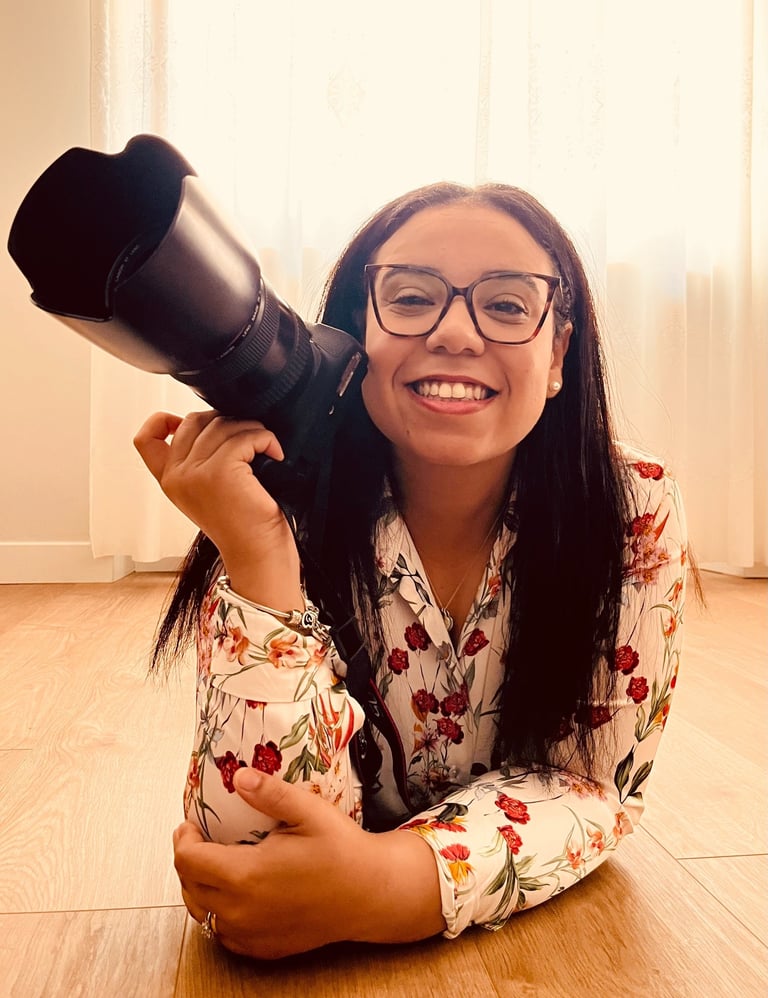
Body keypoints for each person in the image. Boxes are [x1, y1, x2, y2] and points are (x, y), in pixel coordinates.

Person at [133, 182, 688, 959]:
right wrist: (256, 556)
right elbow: (249, 852)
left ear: (557, 355)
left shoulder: (633, 507)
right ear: (355, 334)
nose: (456, 333)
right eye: (412, 297)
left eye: (504, 305)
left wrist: (395, 884)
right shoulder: (277, 496)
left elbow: (595, 784)